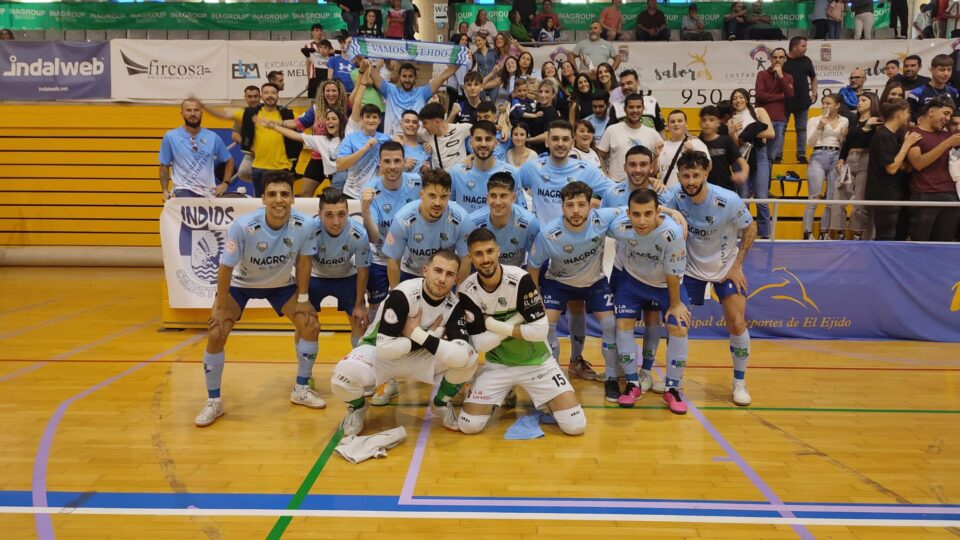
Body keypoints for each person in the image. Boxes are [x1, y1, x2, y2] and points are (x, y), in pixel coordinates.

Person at [194, 171, 324, 427]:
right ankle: (213, 401)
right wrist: (219, 307)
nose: (279, 200)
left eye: (285, 194)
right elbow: (225, 268)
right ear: (262, 199)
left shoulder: (305, 225)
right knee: (217, 331)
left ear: (293, 199)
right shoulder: (243, 227)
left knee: (311, 324)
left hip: (280, 285)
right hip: (240, 285)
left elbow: (304, 260)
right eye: (272, 194)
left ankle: (301, 388)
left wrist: (304, 297)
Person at [329, 249, 480, 435]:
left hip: (420, 356)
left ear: (456, 280)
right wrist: (427, 337)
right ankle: (358, 407)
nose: (442, 279)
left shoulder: (454, 306)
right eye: (438, 271)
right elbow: (385, 349)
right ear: (426, 271)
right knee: (342, 378)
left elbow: (461, 355)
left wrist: (416, 334)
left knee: (469, 360)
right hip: (380, 352)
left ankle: (440, 404)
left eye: (449, 274)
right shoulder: (403, 294)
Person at [456, 228, 586, 436]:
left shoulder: (520, 278)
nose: (486, 259)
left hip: (538, 363)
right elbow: (480, 345)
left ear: (498, 251)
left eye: (490, 251)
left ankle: (547, 400)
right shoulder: (466, 290)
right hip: (498, 365)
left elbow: (539, 332)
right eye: (478, 254)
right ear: (470, 257)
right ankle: (500, 395)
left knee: (575, 426)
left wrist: (491, 324)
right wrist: (517, 320)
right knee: (468, 425)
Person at [517, 121, 616, 381]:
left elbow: (613, 193)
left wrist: (593, 208)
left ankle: (576, 361)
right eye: (555, 139)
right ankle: (549, 371)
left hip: (581, 246)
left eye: (565, 139)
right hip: (546, 247)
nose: (560, 143)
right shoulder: (533, 167)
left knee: (577, 308)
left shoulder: (586, 169)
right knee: (545, 320)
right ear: (547, 141)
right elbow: (508, 182)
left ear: (572, 143)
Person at [660, 151, 757, 407]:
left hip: (724, 267)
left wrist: (737, 265)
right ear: (678, 176)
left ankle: (739, 383)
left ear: (706, 173)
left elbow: (751, 228)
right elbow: (655, 211)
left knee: (736, 322)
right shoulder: (675, 196)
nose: (690, 181)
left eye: (695, 175)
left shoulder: (728, 200)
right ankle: (674, 382)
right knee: (676, 322)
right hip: (689, 269)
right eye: (685, 176)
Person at [528, 182, 620, 387]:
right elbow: (533, 267)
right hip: (558, 282)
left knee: (610, 324)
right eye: (570, 205)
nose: (576, 211)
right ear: (562, 207)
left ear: (591, 205)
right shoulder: (549, 234)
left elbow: (632, 209)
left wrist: (671, 214)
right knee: (546, 324)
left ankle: (610, 376)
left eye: (581, 204)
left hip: (593, 280)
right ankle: (552, 376)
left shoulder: (602, 218)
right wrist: (535, 300)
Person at [606, 189, 690, 411]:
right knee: (622, 324)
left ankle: (672, 389)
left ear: (657, 212)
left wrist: (675, 305)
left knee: (679, 326)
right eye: (636, 214)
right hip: (632, 281)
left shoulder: (671, 233)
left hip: (666, 284)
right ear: (628, 213)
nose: (641, 221)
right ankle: (632, 384)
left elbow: (672, 273)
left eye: (647, 214)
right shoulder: (619, 227)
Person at [199, 83, 298, 197]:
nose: (270, 95)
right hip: (258, 168)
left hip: (282, 168)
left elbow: (306, 122)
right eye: (266, 93)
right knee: (260, 203)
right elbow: (224, 114)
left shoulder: (289, 114)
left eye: (273, 93)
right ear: (262, 97)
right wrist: (203, 105)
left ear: (278, 96)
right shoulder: (248, 113)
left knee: (282, 202)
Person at [383, 169, 472, 287]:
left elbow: (465, 260)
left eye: (443, 197)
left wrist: (459, 294)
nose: (438, 203)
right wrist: (395, 291)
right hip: (412, 272)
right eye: (432, 196)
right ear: (421, 195)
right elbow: (393, 260)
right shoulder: (402, 219)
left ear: (449, 196)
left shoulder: (462, 220)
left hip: (444, 276)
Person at [306, 188, 371, 346]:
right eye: (329, 215)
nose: (336, 222)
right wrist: (302, 299)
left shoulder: (359, 234)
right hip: (315, 277)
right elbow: (301, 264)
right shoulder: (308, 231)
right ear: (319, 214)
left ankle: (357, 365)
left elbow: (363, 271)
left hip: (346, 277)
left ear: (348, 213)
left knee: (359, 321)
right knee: (305, 323)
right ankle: (304, 371)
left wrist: (359, 305)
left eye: (341, 214)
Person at [905, 96, 960, 241]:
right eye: (945, 113)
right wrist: (947, 144)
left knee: (945, 243)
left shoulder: (948, 135)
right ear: (931, 111)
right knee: (920, 242)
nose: (947, 118)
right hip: (924, 193)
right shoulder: (914, 134)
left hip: (950, 194)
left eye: (949, 115)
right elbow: (918, 164)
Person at [259, 108, 347, 195]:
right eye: (328, 119)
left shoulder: (349, 137)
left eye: (334, 119)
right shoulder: (321, 140)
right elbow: (296, 135)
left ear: (341, 122)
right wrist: (274, 126)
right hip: (336, 179)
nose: (330, 121)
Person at [159, 99, 234, 200]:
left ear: (201, 113)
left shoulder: (212, 137)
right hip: (183, 190)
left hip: (208, 192)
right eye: (188, 110)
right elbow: (164, 165)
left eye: (196, 110)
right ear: (182, 113)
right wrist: (164, 190)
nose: (193, 114)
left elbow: (229, 161)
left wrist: (225, 184)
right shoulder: (171, 136)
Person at [867, 98, 921, 240]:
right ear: (899, 114)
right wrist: (907, 145)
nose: (909, 116)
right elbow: (891, 168)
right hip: (885, 195)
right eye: (907, 112)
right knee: (886, 237)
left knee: (898, 236)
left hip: (896, 193)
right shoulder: (882, 135)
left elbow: (898, 164)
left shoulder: (893, 135)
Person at [370, 59, 458, 138]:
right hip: (392, 144)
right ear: (399, 77)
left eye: (410, 76)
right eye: (404, 76)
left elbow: (443, 77)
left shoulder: (422, 93)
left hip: (416, 143)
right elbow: (372, 72)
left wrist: (461, 61)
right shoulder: (390, 90)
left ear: (415, 78)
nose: (407, 80)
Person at [468, 173, 539, 269]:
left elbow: (536, 259)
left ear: (513, 198)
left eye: (503, 196)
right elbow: (465, 258)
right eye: (493, 196)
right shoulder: (472, 222)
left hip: (516, 271)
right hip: (482, 270)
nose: (497, 202)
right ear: (487, 198)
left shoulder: (530, 223)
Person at [804, 94, 849, 240]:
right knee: (814, 196)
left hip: (836, 156)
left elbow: (842, 144)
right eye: (823, 103)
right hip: (818, 155)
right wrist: (819, 127)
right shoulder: (814, 120)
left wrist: (843, 137)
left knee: (831, 198)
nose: (824, 106)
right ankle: (808, 233)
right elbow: (810, 143)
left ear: (837, 105)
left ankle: (824, 233)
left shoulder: (844, 120)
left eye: (828, 103)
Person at [450, 122, 519, 213]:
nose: (483, 144)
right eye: (478, 139)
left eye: (488, 139)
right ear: (471, 142)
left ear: (496, 142)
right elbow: (448, 207)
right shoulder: (456, 173)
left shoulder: (511, 173)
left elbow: (519, 211)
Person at [838, 93, 881, 240]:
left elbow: (867, 141)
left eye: (864, 100)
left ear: (873, 102)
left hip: (866, 159)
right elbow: (848, 141)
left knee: (859, 201)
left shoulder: (877, 121)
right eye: (858, 100)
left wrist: (866, 128)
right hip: (849, 159)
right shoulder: (853, 120)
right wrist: (841, 158)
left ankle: (858, 233)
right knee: (840, 196)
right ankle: (839, 232)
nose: (859, 103)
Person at [597, 93, 664, 183]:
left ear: (643, 109)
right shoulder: (611, 130)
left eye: (638, 107)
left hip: (643, 188)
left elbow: (655, 171)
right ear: (625, 109)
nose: (635, 110)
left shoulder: (653, 134)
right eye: (631, 107)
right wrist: (605, 177)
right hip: (616, 185)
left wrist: (655, 157)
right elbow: (600, 156)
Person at [336, 104, 393, 199]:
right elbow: (340, 166)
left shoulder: (386, 139)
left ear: (379, 120)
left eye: (374, 117)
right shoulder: (350, 138)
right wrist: (364, 149)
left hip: (374, 194)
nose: (371, 120)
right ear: (361, 119)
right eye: (367, 117)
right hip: (351, 193)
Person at [755, 48, 794, 164]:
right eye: (775, 57)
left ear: (785, 59)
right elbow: (760, 95)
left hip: (778, 120)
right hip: (762, 119)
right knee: (759, 156)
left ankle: (767, 182)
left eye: (781, 57)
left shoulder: (788, 77)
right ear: (770, 59)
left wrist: (781, 76)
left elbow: (790, 94)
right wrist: (780, 96)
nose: (777, 60)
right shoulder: (762, 74)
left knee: (771, 157)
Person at [782, 37, 818, 164]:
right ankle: (777, 155)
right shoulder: (783, 60)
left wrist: (814, 92)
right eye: (803, 46)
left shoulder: (806, 60)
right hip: (784, 102)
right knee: (781, 129)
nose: (805, 49)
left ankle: (801, 155)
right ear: (794, 46)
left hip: (803, 102)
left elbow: (813, 77)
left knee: (802, 129)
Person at [698, 106, 750, 193]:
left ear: (718, 122)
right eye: (704, 120)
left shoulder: (726, 141)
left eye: (711, 120)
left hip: (726, 189)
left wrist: (743, 173)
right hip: (703, 190)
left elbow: (743, 163)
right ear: (700, 123)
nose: (707, 123)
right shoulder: (697, 143)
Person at [659, 110, 710, 189]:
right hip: (667, 195)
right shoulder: (662, 146)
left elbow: (709, 167)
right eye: (672, 122)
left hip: (690, 194)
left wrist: (693, 152)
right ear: (667, 126)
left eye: (679, 121)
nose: (676, 124)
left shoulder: (696, 143)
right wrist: (655, 155)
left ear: (686, 124)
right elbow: (654, 171)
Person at [419, 102, 473, 170]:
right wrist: (424, 144)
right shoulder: (425, 134)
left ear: (436, 122)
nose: (423, 126)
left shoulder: (460, 129)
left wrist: (472, 156)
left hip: (461, 177)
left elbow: (484, 130)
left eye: (425, 123)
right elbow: (408, 138)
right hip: (440, 179)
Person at [907, 54, 959, 120]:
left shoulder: (954, 92)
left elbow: (956, 116)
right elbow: (907, 118)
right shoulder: (917, 93)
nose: (946, 73)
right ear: (932, 70)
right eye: (942, 70)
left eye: (949, 70)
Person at [397, 110, 430, 175]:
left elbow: (430, 175)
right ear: (401, 125)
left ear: (418, 127)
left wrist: (427, 171)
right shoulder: (393, 146)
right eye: (407, 121)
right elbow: (381, 173)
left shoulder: (426, 148)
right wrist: (402, 167)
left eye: (414, 122)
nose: (411, 124)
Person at [303, 33, 334, 100]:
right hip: (317, 84)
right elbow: (303, 50)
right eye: (321, 47)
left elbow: (342, 53)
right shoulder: (316, 57)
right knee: (313, 102)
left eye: (325, 48)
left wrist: (333, 51)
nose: (322, 49)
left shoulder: (332, 59)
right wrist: (316, 50)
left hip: (328, 84)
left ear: (329, 49)